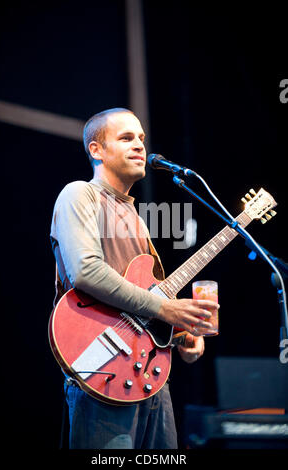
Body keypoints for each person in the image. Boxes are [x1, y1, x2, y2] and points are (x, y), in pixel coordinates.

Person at [50, 107, 219, 449]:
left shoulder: (137, 219)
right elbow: (86, 271)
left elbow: (143, 303)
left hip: (149, 375)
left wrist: (180, 333)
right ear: (96, 150)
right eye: (126, 138)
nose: (140, 145)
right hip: (101, 369)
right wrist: (165, 308)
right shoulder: (79, 194)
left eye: (141, 138)